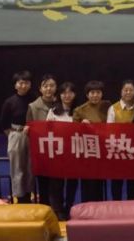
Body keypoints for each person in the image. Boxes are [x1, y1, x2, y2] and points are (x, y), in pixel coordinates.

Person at [73, 80, 110, 202]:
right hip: (87, 151)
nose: (95, 95)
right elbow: (73, 132)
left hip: (104, 150)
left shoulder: (108, 106)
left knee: (100, 182)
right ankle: (86, 207)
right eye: (92, 93)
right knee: (88, 183)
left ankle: (100, 207)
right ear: (87, 95)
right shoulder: (80, 110)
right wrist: (81, 126)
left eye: (98, 92)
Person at [0, 70, 34, 203]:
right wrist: (14, 135)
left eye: (26, 83)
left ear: (30, 84)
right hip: (16, 134)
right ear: (15, 85)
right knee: (17, 167)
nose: (23, 86)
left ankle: (30, 195)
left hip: (33, 135)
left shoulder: (35, 99)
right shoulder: (10, 102)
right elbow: (4, 123)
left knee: (30, 167)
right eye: (20, 83)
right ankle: (20, 197)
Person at [46, 82, 78, 219]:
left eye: (70, 92)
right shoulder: (53, 111)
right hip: (57, 153)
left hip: (74, 152)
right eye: (64, 93)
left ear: (75, 94)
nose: (67, 95)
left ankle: (69, 206)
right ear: (59, 95)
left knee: (72, 182)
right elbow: (46, 131)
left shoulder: (79, 111)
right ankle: (58, 210)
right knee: (56, 183)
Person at [26, 74, 58, 205]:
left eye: (52, 86)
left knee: (57, 183)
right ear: (40, 89)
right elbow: (29, 126)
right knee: (43, 183)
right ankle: (45, 208)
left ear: (56, 87)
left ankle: (57, 208)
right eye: (45, 86)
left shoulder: (61, 104)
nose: (48, 89)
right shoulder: (33, 107)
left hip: (58, 150)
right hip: (41, 151)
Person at [107, 80, 134, 201]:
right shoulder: (113, 108)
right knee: (117, 183)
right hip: (118, 150)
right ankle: (116, 207)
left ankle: (131, 207)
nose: (128, 92)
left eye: (131, 90)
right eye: (125, 90)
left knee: (133, 183)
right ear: (121, 92)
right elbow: (109, 131)